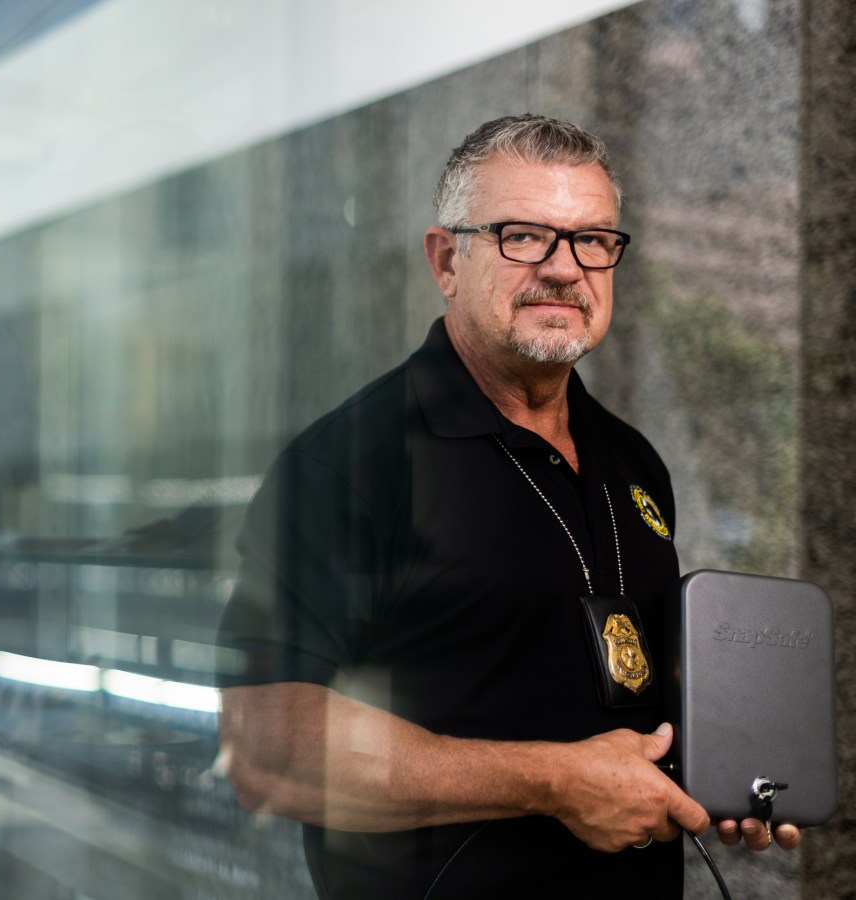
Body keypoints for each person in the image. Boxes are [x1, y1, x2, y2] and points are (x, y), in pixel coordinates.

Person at [215, 114, 801, 898]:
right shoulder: (347, 465)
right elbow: (264, 751)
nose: (565, 269)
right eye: (524, 236)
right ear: (446, 259)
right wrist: (553, 781)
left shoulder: (633, 459)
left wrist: (723, 774)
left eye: (593, 240)